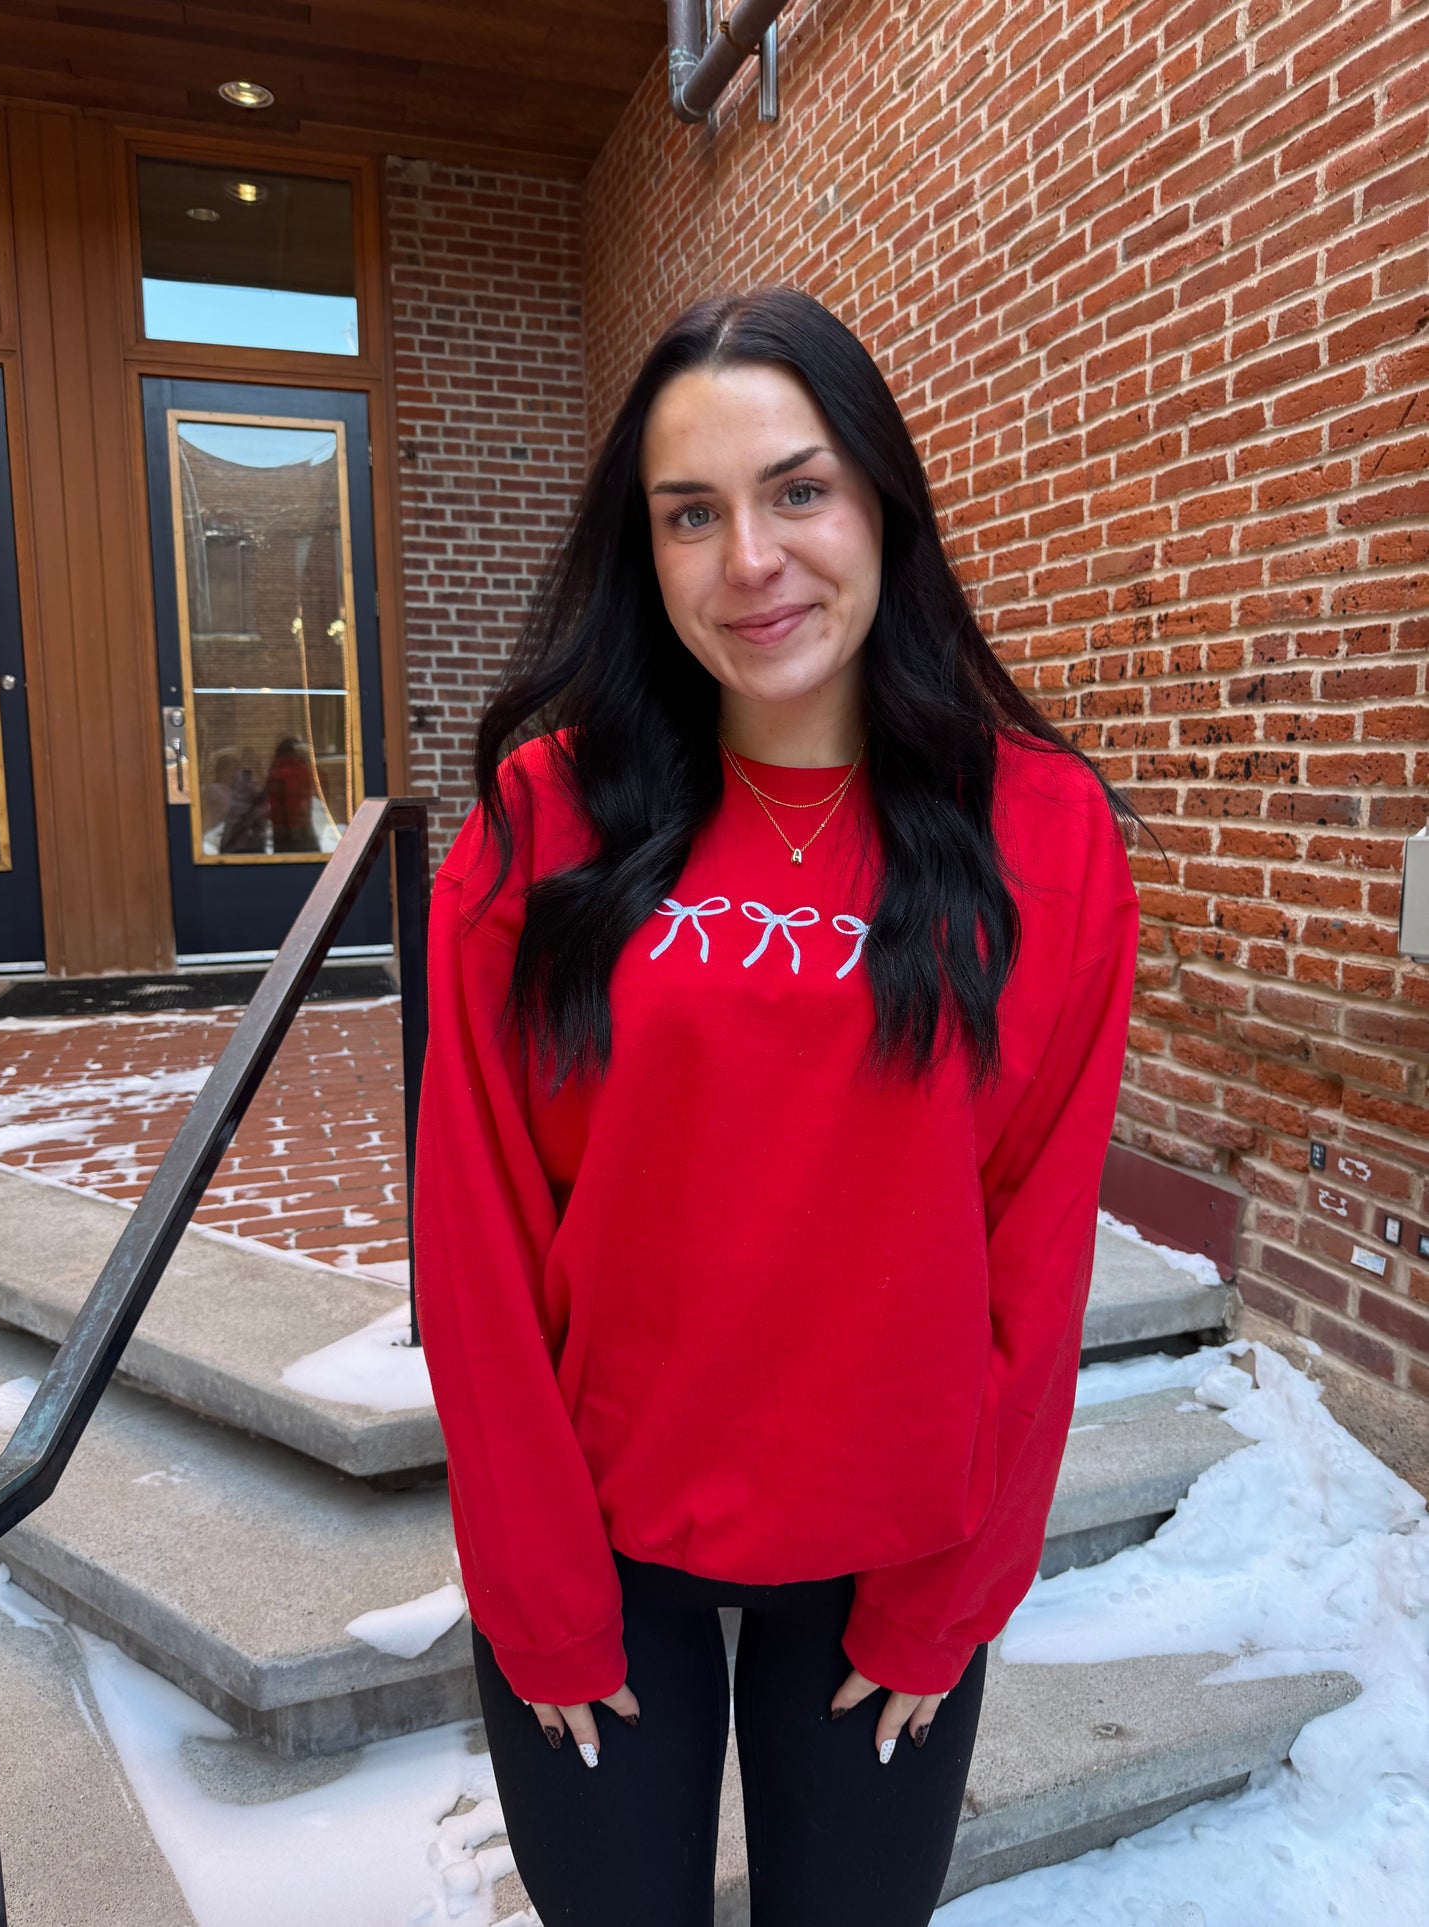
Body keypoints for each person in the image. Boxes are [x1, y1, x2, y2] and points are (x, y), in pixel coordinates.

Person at [413, 286, 1140, 1927]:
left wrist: (946, 1599)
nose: (751, 558)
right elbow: (472, 1233)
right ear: (644, 551)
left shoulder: (1044, 836)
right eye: (691, 513)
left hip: (891, 1545)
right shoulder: (546, 824)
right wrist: (536, 1596)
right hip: (601, 1546)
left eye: (798, 490)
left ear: (882, 503)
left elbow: (1034, 1247)